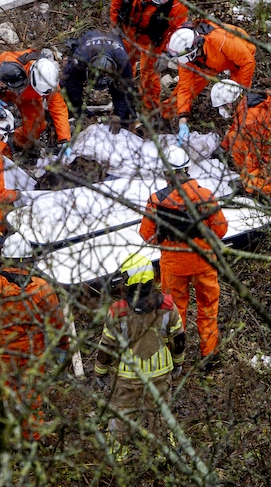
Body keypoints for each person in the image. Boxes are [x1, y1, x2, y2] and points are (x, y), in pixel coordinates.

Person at [0, 234, 68, 445]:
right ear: (29, 259)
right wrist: (62, 347)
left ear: (4, 257)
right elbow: (57, 324)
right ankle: (31, 439)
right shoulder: (43, 289)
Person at [138, 154, 228, 368]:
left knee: (174, 311)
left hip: (173, 266)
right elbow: (221, 229)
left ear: (166, 173)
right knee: (208, 308)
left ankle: (173, 358)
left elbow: (147, 235)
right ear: (187, 169)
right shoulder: (204, 196)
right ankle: (209, 356)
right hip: (204, 263)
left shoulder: (157, 200)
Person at [94, 253, 183, 461]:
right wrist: (178, 363)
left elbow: (107, 346)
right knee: (160, 412)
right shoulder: (168, 306)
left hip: (128, 377)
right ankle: (165, 452)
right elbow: (179, 338)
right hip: (160, 374)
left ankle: (118, 454)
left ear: (127, 282)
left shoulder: (117, 312)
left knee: (123, 413)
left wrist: (100, 371)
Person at [109, 0, 189, 113]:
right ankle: (122, 99)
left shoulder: (178, 4)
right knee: (123, 65)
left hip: (152, 41)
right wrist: (115, 24)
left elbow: (178, 31)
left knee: (150, 77)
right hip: (128, 31)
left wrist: (166, 54)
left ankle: (150, 111)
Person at [210, 80, 271, 198]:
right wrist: (224, 147)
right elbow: (236, 125)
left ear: (229, 104)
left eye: (221, 107)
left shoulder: (249, 123)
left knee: (253, 184)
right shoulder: (248, 105)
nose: (221, 111)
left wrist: (244, 183)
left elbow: (251, 161)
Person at [164, 20, 256, 141]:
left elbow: (247, 62)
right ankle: (165, 115)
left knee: (236, 99)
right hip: (208, 62)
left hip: (240, 58)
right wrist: (183, 118)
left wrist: (240, 91)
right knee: (185, 89)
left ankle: (238, 131)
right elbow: (185, 88)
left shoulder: (219, 40)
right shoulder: (188, 59)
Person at [0, 49, 71, 151]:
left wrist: (64, 138)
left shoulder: (49, 81)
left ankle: (16, 143)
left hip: (29, 99)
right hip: (2, 91)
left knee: (36, 127)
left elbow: (58, 107)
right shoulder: (10, 61)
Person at [60, 30, 136, 125]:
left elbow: (127, 89)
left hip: (114, 46)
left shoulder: (122, 62)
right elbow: (70, 81)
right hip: (89, 41)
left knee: (121, 90)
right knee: (73, 79)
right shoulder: (80, 58)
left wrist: (119, 114)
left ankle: (125, 119)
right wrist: (78, 109)